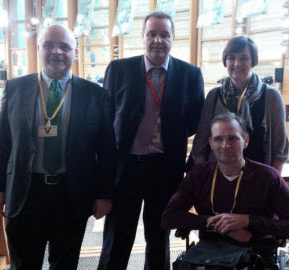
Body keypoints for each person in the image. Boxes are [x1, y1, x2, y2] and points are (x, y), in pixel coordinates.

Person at [0, 24, 116, 270]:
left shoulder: (96, 95)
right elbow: (2, 143)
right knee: (24, 263)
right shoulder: (15, 89)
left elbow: (107, 151)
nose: (56, 51)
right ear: (38, 49)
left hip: (71, 194)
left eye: (64, 46)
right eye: (49, 45)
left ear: (75, 52)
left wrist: (104, 194)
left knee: (65, 263)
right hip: (26, 193)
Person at [98, 11, 204, 270]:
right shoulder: (119, 69)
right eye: (152, 34)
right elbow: (106, 117)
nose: (158, 40)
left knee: (159, 235)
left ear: (173, 38)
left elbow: (195, 121)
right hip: (126, 168)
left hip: (164, 168)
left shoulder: (190, 74)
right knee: (118, 235)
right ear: (143, 37)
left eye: (164, 34)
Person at [162, 113, 289, 267]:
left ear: (245, 141)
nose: (225, 145)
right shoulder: (199, 174)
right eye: (219, 139)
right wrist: (217, 226)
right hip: (210, 254)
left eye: (233, 138)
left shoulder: (267, 177)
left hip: (256, 251)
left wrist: (247, 221)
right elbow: (168, 217)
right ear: (211, 143)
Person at [192, 35, 289, 173]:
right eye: (231, 57)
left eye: (244, 58)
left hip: (258, 175)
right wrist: (201, 177)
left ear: (253, 61)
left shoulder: (271, 96)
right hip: (218, 174)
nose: (237, 63)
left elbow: (280, 146)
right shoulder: (214, 96)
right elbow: (201, 141)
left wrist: (273, 183)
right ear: (225, 61)